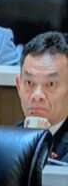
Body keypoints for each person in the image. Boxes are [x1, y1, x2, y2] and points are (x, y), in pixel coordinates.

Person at [15, 31, 68, 162]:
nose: (37, 95)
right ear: (18, 86)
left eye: (50, 84)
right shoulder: (6, 142)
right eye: (29, 83)